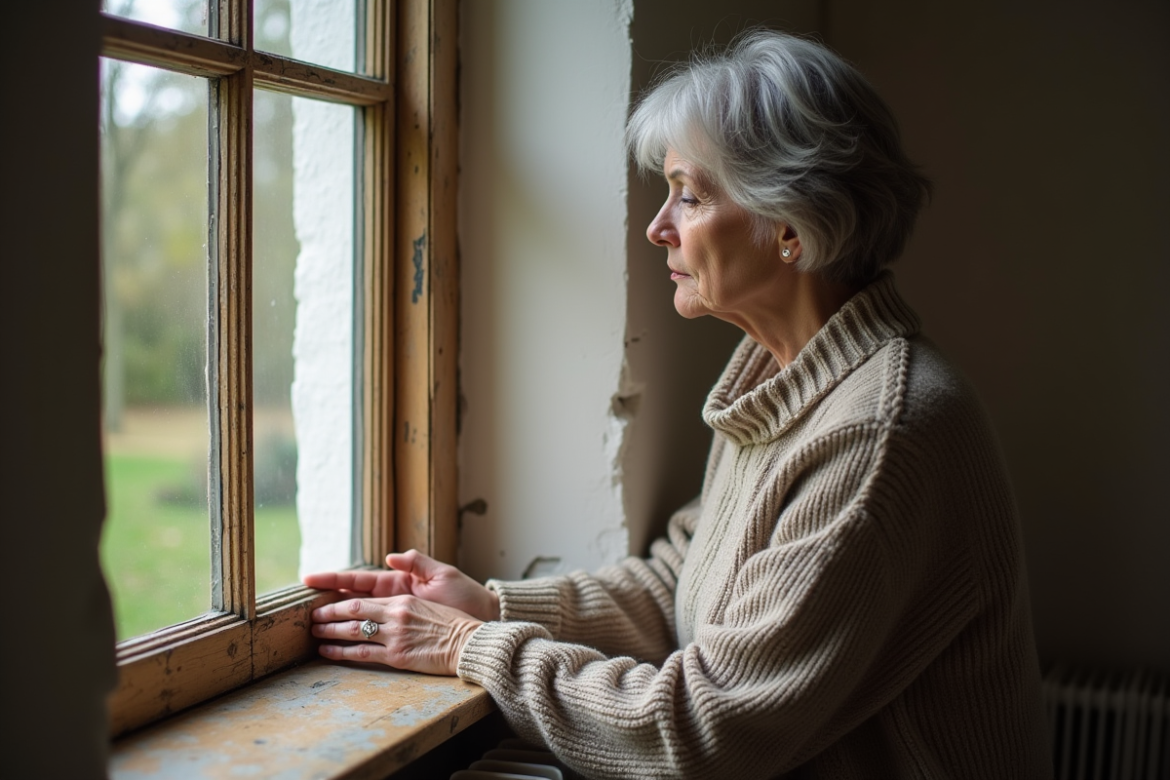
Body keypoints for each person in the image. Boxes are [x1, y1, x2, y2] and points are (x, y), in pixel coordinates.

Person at [305, 30, 1051, 778]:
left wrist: (467, 648)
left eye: (689, 194)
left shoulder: (882, 437)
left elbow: (702, 729)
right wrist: (492, 608)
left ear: (790, 226)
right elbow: (681, 587)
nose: (658, 226)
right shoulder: (785, 378)